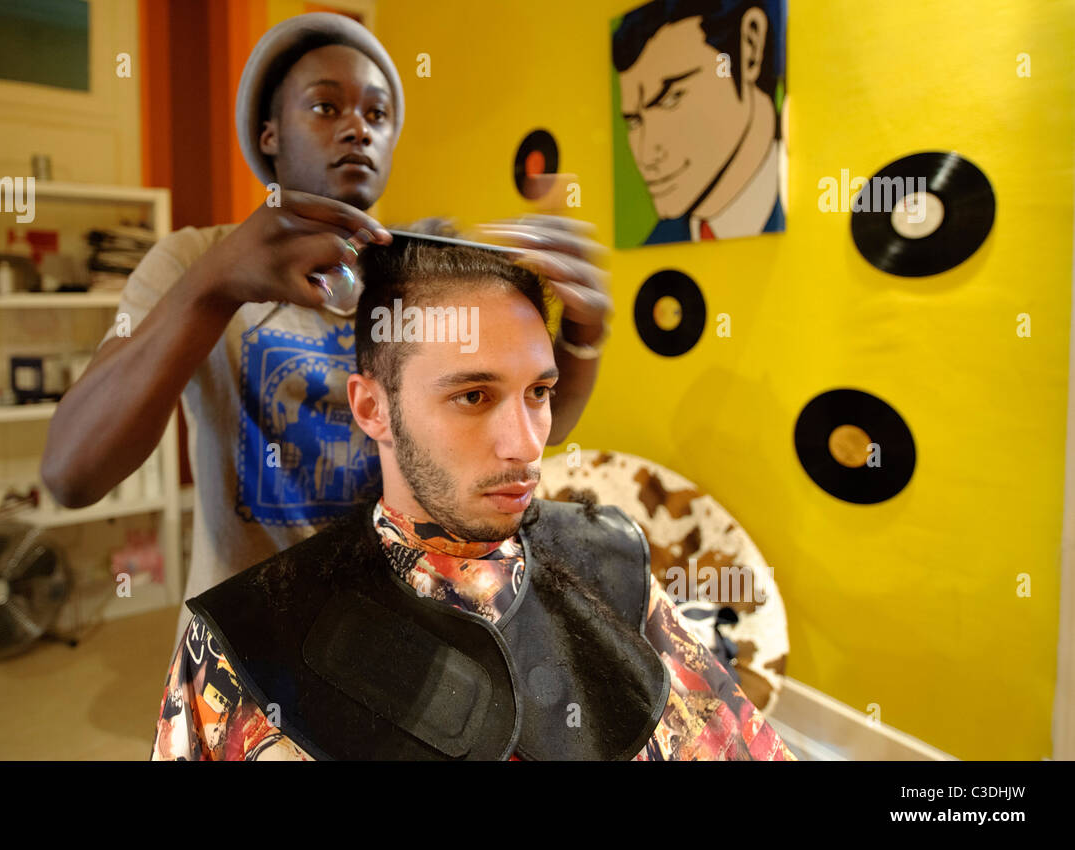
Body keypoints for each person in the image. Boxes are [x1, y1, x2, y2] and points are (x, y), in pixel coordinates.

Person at [41, 13, 611, 654]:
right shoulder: (191, 261)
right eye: (325, 106)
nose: (356, 127)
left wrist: (581, 332)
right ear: (270, 134)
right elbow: (72, 474)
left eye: (378, 114)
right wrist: (217, 285)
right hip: (247, 648)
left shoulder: (421, 270)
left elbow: (523, 433)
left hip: (398, 637)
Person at [150, 235, 796, 760]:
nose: (525, 445)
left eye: (539, 393)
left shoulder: (615, 566)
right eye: (473, 396)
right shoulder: (242, 641)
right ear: (372, 407)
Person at [612, 0, 785, 244]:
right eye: (633, 121)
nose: (645, 154)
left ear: (750, 46)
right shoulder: (657, 244)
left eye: (669, 99)